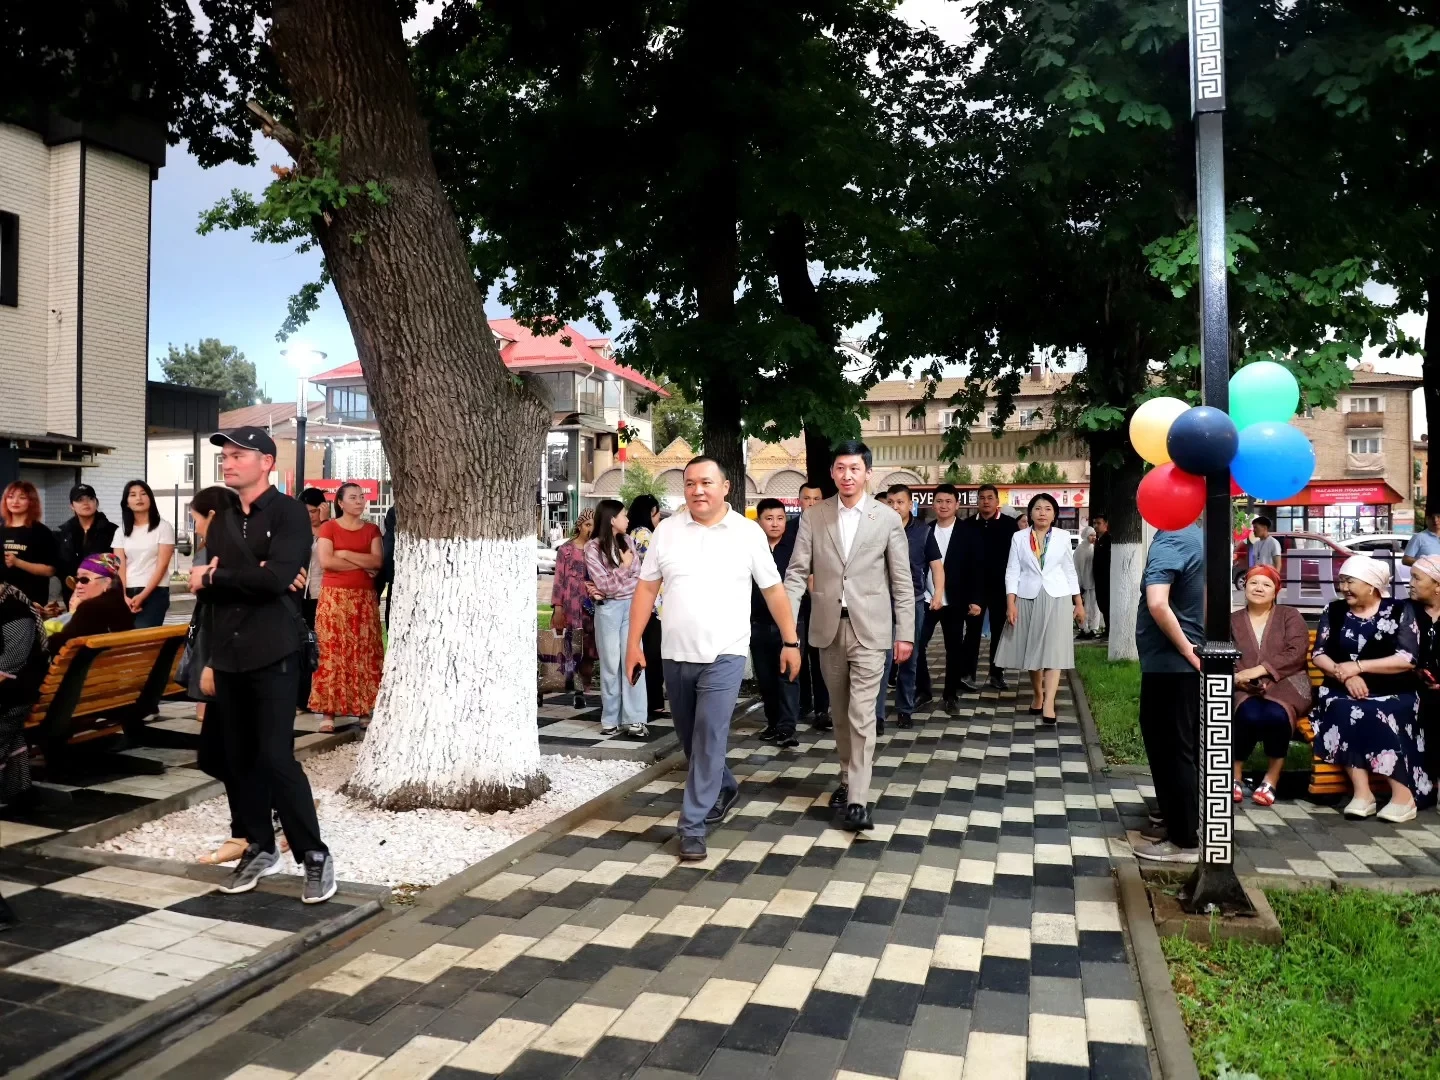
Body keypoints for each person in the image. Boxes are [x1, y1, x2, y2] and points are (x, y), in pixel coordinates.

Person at [626, 457, 800, 860]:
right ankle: (723, 786)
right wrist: (634, 643)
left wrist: (790, 642)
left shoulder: (747, 532)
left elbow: (774, 590)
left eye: (706, 482)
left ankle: (692, 825)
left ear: (725, 487)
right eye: (690, 483)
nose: (697, 490)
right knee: (692, 739)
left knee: (709, 735)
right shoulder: (667, 531)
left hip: (726, 652)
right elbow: (647, 589)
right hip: (676, 652)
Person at [192, 425, 335, 903]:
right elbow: (213, 593)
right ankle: (259, 846)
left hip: (274, 653)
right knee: (239, 759)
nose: (228, 462)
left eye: (239, 454)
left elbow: (275, 580)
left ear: (267, 462)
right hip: (229, 655)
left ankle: (314, 856)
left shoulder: (289, 512)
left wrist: (219, 577)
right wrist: (242, 578)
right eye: (225, 455)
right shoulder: (222, 520)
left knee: (275, 758)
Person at [784, 441, 914, 833]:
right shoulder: (814, 516)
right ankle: (846, 776)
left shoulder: (886, 518)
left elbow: (902, 581)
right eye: (840, 468)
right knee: (839, 714)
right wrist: (788, 629)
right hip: (828, 627)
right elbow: (796, 573)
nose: (847, 475)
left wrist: (905, 633)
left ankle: (858, 798)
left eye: (854, 468)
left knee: (862, 713)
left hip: (871, 630)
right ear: (832, 473)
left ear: (867, 473)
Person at [1311, 554, 1430, 822]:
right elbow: (1319, 654)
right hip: (1342, 688)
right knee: (1343, 709)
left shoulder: (1400, 610)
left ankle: (1403, 796)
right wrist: (1345, 675)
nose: (1344, 588)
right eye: (1342, 581)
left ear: (1371, 585)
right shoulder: (1334, 610)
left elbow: (1406, 658)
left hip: (1395, 690)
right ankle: (1363, 794)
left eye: (1350, 581)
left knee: (1378, 712)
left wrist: (1359, 667)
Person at [1132, 523, 1204, 864]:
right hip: (1177, 663)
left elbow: (1158, 602)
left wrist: (1187, 649)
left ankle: (1183, 839)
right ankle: (1179, 822)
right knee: (1181, 747)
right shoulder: (1196, 534)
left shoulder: (1173, 537)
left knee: (1171, 749)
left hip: (1172, 663)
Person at [996, 493, 1082, 724]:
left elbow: (1069, 570)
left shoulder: (1063, 537)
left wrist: (1078, 602)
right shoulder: (1019, 537)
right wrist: (1011, 603)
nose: (1042, 513)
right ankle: (1038, 694)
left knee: (1054, 650)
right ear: (1030, 513)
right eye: (1037, 508)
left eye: (1047, 509)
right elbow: (1012, 571)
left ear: (1054, 514)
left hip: (1058, 597)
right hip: (1027, 596)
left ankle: (1050, 702)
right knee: (1032, 650)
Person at [1229, 565, 1310, 806]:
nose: (1259, 588)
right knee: (1247, 714)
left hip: (1286, 682)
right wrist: (1239, 677)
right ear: (1244, 587)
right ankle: (1234, 775)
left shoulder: (1289, 615)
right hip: (1244, 685)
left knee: (1276, 714)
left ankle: (1272, 778)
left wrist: (1259, 670)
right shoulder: (1231, 620)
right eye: (1253, 583)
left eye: (1266, 584)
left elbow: (1296, 651)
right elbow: (1224, 655)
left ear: (1276, 591)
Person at [309, 483, 384, 733]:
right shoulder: (329, 527)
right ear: (340, 503)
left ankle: (364, 709)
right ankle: (328, 712)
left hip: (364, 599)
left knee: (364, 651)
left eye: (361, 496)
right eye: (353, 497)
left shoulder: (372, 529)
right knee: (332, 652)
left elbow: (377, 562)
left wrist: (344, 554)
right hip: (334, 598)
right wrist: (362, 563)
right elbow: (327, 562)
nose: (359, 501)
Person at [880, 484, 942, 730]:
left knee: (909, 658)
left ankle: (904, 709)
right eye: (891, 502)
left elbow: (936, 566)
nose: (895, 507)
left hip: (912, 601)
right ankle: (876, 715)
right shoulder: (878, 529)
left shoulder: (924, 531)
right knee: (882, 659)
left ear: (910, 504)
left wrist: (938, 594)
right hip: (881, 601)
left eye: (900, 502)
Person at [586, 499, 648, 737]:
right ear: (612, 519)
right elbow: (604, 585)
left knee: (633, 660)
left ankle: (635, 719)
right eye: (624, 515)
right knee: (611, 664)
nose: (628, 520)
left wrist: (614, 584)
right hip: (608, 610)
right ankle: (610, 718)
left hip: (631, 607)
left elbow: (638, 577)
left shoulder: (628, 541)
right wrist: (623, 568)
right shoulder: (593, 548)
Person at [954, 482, 1019, 692]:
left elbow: (1016, 559)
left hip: (1001, 587)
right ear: (977, 501)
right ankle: (967, 674)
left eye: (990, 498)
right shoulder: (967, 525)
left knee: (999, 632)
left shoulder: (1009, 525)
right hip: (975, 589)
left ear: (997, 501)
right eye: (981, 498)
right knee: (972, 632)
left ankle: (996, 674)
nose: (986, 502)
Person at [753, 499, 803, 747]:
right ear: (759, 521)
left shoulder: (795, 547)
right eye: (769, 518)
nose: (775, 524)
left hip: (790, 624)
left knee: (788, 676)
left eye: (780, 518)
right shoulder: (752, 548)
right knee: (766, 678)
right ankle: (773, 723)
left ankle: (787, 728)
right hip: (758, 623)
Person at [0, 582, 49, 812]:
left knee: (6, 726)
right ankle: (18, 791)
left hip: (13, 694)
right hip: (10, 697)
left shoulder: (15, 613)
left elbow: (5, 669)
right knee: (12, 735)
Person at [917, 484, 963, 709]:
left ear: (957, 505)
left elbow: (977, 567)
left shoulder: (967, 531)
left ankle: (950, 695)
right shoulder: (925, 530)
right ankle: (923, 691)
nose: (943, 505)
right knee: (917, 644)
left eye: (948, 501)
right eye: (939, 501)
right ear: (933, 504)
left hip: (954, 599)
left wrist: (976, 599)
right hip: (927, 598)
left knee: (954, 649)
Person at [551, 509, 599, 709]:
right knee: (570, 648)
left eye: (594, 525)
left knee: (589, 650)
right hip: (570, 606)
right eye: (587, 525)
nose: (590, 529)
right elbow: (559, 580)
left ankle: (584, 688)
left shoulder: (597, 549)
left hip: (591, 607)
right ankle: (571, 686)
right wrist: (558, 608)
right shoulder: (566, 550)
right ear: (580, 525)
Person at [625, 494, 667, 719]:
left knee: (648, 652)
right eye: (657, 513)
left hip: (642, 602)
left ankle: (648, 701)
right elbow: (658, 566)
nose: (658, 518)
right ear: (651, 512)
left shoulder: (632, 533)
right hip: (651, 605)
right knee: (653, 654)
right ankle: (654, 703)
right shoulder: (644, 534)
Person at [114, 480, 176, 629]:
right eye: (133, 495)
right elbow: (119, 566)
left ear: (150, 499)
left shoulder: (163, 527)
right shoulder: (121, 531)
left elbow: (162, 566)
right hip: (127, 592)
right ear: (126, 502)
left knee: (144, 634)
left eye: (143, 494)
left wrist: (143, 595)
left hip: (155, 591)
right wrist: (123, 595)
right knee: (123, 637)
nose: (139, 498)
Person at [46, 554, 135, 657]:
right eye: (77, 580)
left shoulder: (90, 609)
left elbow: (59, 645)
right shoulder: (120, 605)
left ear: (107, 582)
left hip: (90, 666)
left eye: (84, 580)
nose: (78, 585)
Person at [796, 481, 830, 729]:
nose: (811, 503)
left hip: (821, 602)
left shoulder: (830, 529)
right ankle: (802, 703)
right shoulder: (788, 529)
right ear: (799, 501)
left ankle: (822, 709)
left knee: (819, 657)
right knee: (797, 653)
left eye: (816, 499)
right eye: (807, 498)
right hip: (796, 604)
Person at [1406, 554, 1440, 801]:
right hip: (1408, 685)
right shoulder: (1404, 611)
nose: (1411, 584)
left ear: (1438, 585)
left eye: (1417, 578)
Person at [56, 483, 117, 602]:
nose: (86, 503)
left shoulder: (112, 531)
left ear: (96, 503)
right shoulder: (65, 533)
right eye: (80, 500)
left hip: (103, 594)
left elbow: (115, 565)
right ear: (72, 506)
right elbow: (61, 567)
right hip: (73, 594)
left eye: (90, 498)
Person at [2, 481, 59, 608]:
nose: (15, 501)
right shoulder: (2, 530)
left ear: (31, 502)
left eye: (22, 497)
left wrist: (17, 562)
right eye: (10, 497)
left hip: (32, 601)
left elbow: (49, 570)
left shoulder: (41, 532)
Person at [297, 488, 328, 710]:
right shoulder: (296, 531)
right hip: (299, 596)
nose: (310, 516)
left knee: (321, 647)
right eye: (306, 511)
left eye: (314, 511)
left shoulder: (331, 530)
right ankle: (301, 698)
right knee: (301, 646)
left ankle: (320, 697)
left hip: (322, 594)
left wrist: (325, 523)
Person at [1074, 526, 1104, 639]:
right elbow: (1078, 567)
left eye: (1094, 535)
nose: (1093, 537)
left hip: (1094, 582)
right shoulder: (1080, 550)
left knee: (1095, 606)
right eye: (1091, 535)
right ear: (1086, 536)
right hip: (1083, 582)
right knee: (1084, 606)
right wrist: (1079, 582)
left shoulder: (1094, 548)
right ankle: (1083, 628)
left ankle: (1094, 628)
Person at [1091, 512, 1112, 632]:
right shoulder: (1098, 540)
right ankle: (1107, 628)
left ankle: (1109, 629)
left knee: (1106, 604)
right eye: (1094, 523)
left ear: (1105, 524)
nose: (1096, 526)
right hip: (1099, 579)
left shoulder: (1108, 539)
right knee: (1102, 604)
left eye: (1099, 523)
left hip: (1106, 579)